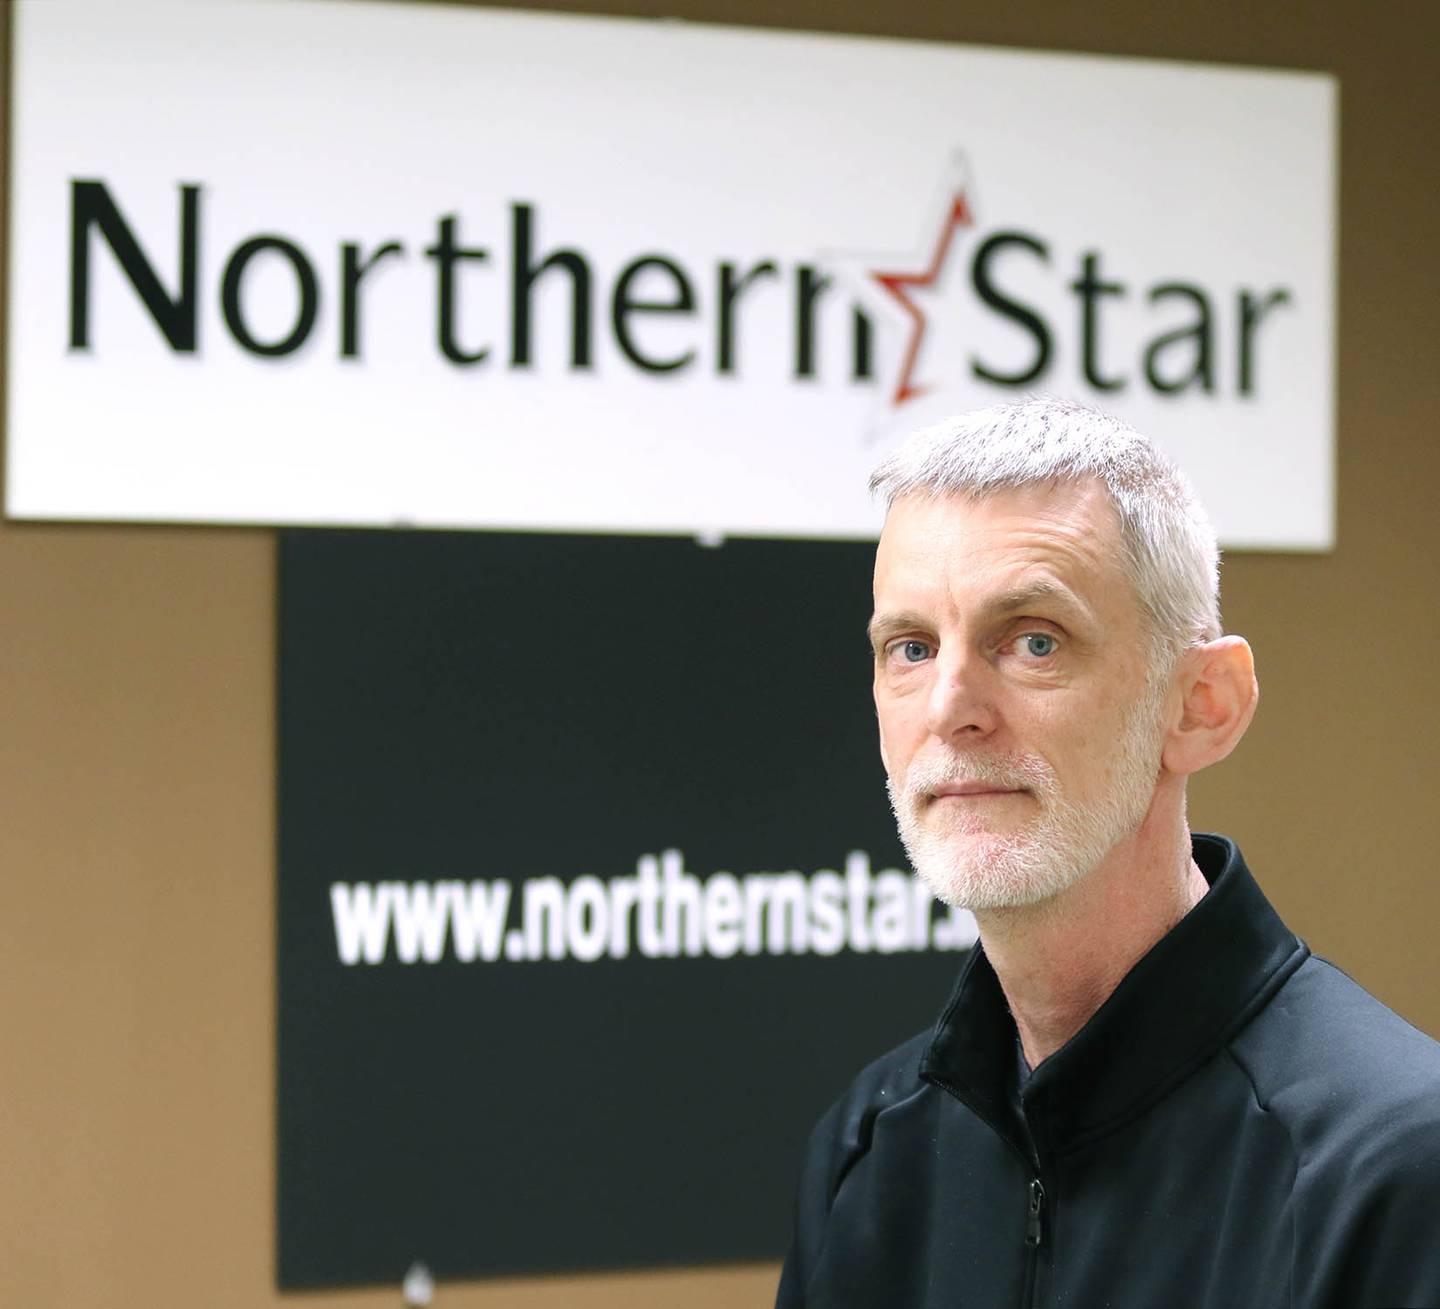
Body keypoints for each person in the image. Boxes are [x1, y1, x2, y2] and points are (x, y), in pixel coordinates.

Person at [776, 398, 1440, 1309]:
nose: (950, 707)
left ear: (1203, 703)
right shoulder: (867, 1146)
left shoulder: (1396, 1165)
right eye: (913, 647)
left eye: (1034, 640)